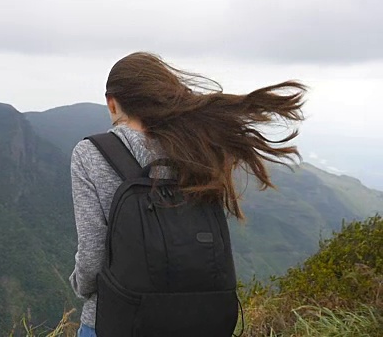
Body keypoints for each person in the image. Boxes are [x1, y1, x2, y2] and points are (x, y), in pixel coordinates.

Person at [69, 52, 306, 336]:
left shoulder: (90, 154)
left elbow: (92, 257)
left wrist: (79, 285)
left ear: (112, 102)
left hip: (116, 320)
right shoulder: (193, 148)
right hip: (195, 319)